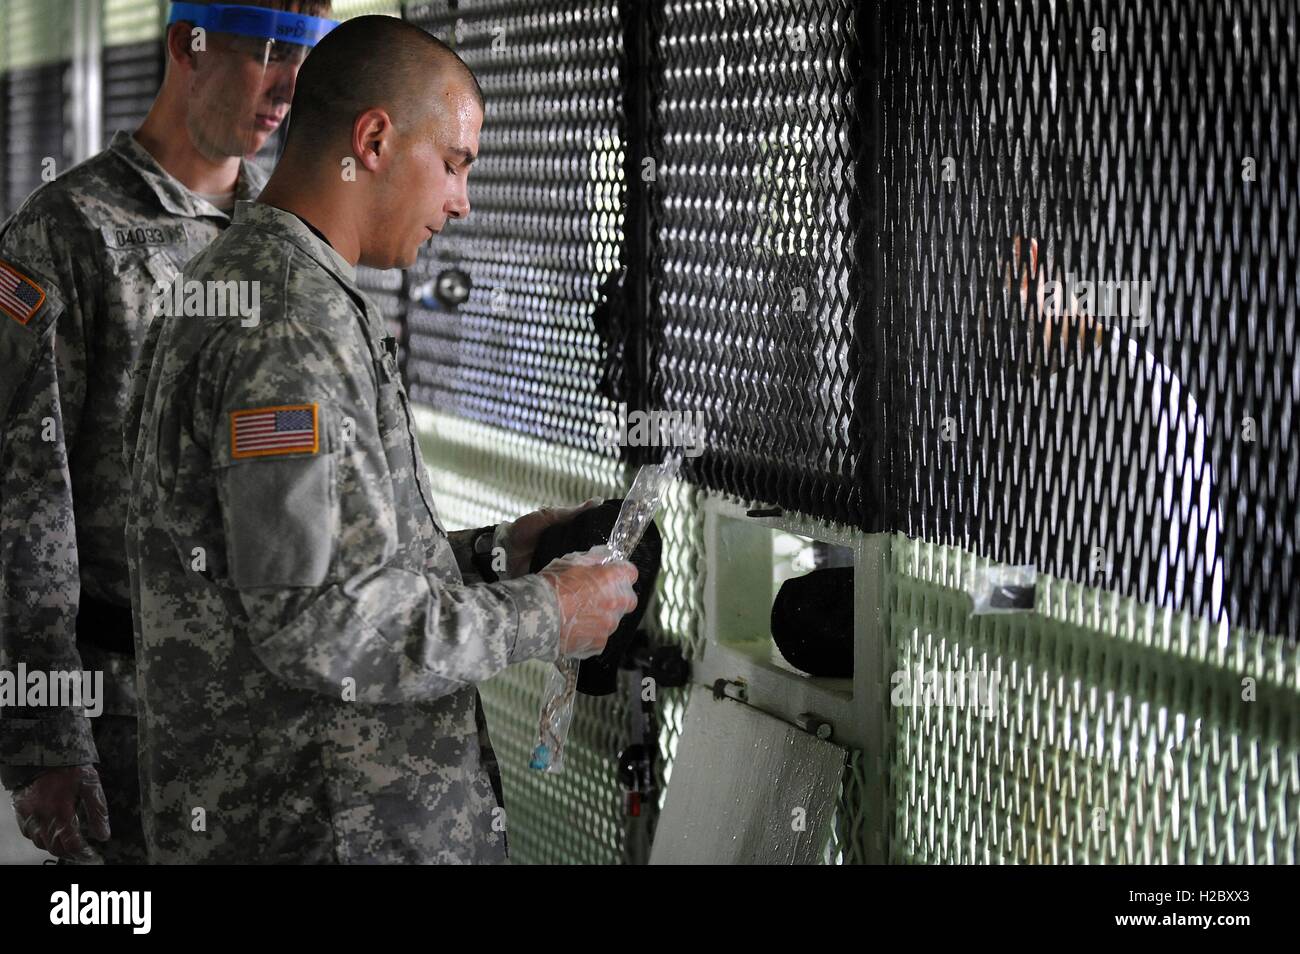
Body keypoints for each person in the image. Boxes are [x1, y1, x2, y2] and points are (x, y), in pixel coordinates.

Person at [124, 14, 640, 863]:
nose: (462, 201)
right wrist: (547, 613)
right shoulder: (286, 323)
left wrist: (499, 552)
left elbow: (326, 561)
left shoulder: (275, 287)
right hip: (323, 826)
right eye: (454, 163)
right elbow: (319, 624)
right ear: (372, 139)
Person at [0, 1, 337, 863]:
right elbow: (23, 500)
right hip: (132, 711)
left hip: (276, 708)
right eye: (267, 51)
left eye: (305, 59)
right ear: (189, 42)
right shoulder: (64, 232)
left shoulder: (286, 237)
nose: (287, 89)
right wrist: (45, 735)